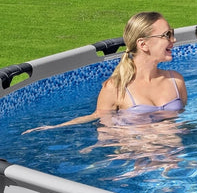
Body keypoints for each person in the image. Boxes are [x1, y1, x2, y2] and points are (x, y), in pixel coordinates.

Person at [24, 12, 187, 132]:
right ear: (143, 44)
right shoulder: (115, 88)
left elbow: (184, 119)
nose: (173, 40)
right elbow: (101, 123)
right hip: (140, 156)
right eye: (167, 35)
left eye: (172, 33)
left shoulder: (176, 81)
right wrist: (54, 127)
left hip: (175, 155)